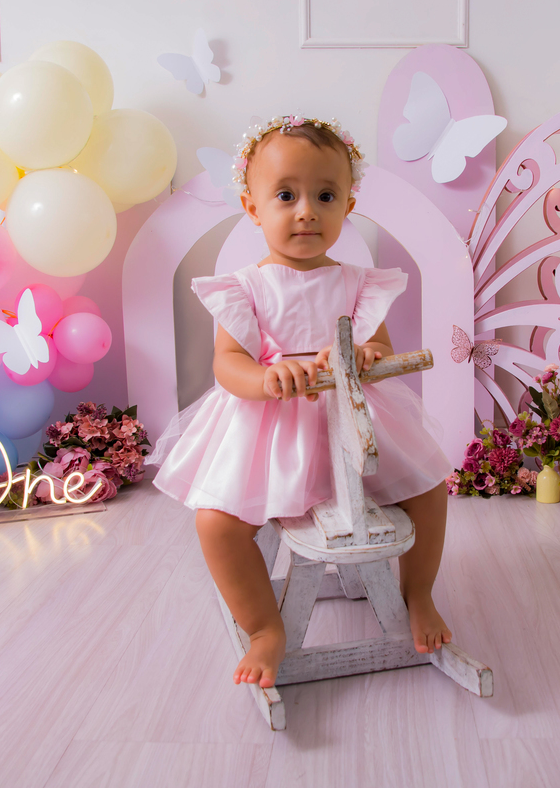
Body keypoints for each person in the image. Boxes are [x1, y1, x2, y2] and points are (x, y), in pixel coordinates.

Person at [149, 115, 453, 689]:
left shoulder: (358, 284)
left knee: (430, 490)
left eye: (326, 196)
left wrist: (362, 354)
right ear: (253, 207)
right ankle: (265, 627)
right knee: (216, 524)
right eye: (286, 195)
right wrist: (267, 376)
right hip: (267, 432)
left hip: (351, 430)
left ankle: (419, 595)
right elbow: (227, 364)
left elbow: (381, 349)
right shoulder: (245, 288)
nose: (307, 211)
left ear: (348, 206)